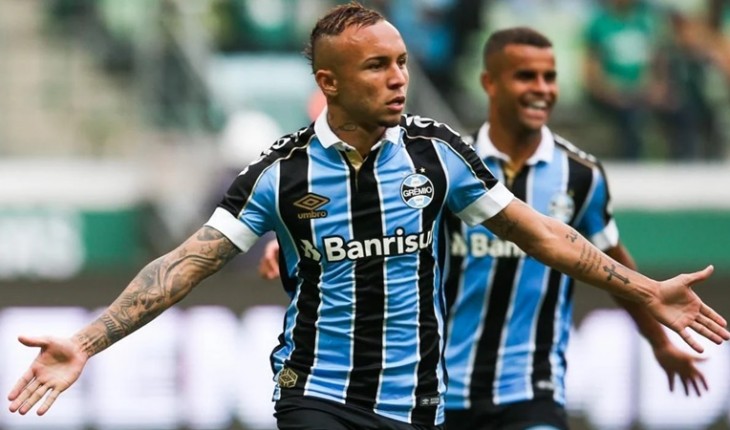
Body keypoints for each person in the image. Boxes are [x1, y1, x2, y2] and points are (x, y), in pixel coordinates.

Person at [7, 3, 729, 430]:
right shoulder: (279, 173)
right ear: (329, 82)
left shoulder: (438, 154)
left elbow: (542, 234)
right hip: (315, 394)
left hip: (416, 402)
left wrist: (644, 291)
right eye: (377, 66)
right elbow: (182, 267)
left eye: (402, 62)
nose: (399, 79)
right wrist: (87, 342)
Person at [256, 25, 713, 429]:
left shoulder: (580, 176)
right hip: (444, 385)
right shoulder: (441, 164)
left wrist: (658, 339)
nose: (542, 89)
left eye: (550, 77)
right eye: (526, 77)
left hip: (531, 387)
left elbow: (608, 256)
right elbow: (369, 222)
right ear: (489, 84)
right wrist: (298, 239)